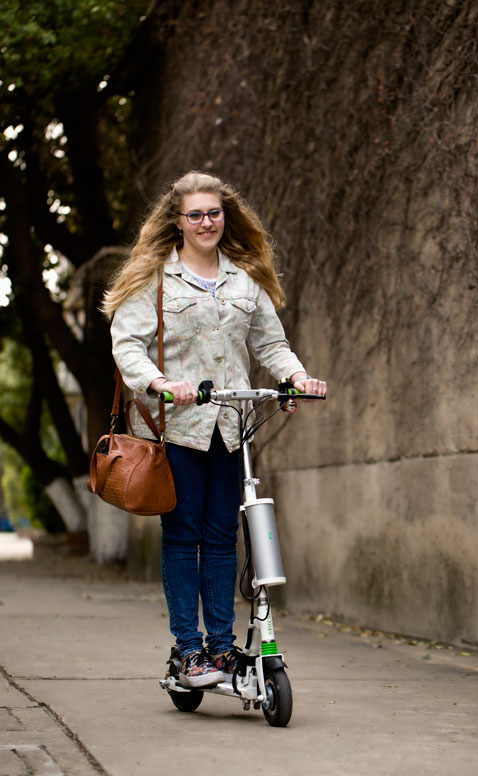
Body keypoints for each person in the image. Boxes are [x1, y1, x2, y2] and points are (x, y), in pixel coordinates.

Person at [102, 171, 327, 689]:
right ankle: (188, 652)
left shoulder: (244, 280)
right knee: (184, 535)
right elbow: (127, 345)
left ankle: (222, 651)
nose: (207, 222)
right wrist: (161, 383)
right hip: (174, 429)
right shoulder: (156, 278)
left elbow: (270, 344)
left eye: (214, 213)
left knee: (224, 539)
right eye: (196, 214)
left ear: (226, 217)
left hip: (230, 427)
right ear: (177, 221)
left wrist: (295, 378)